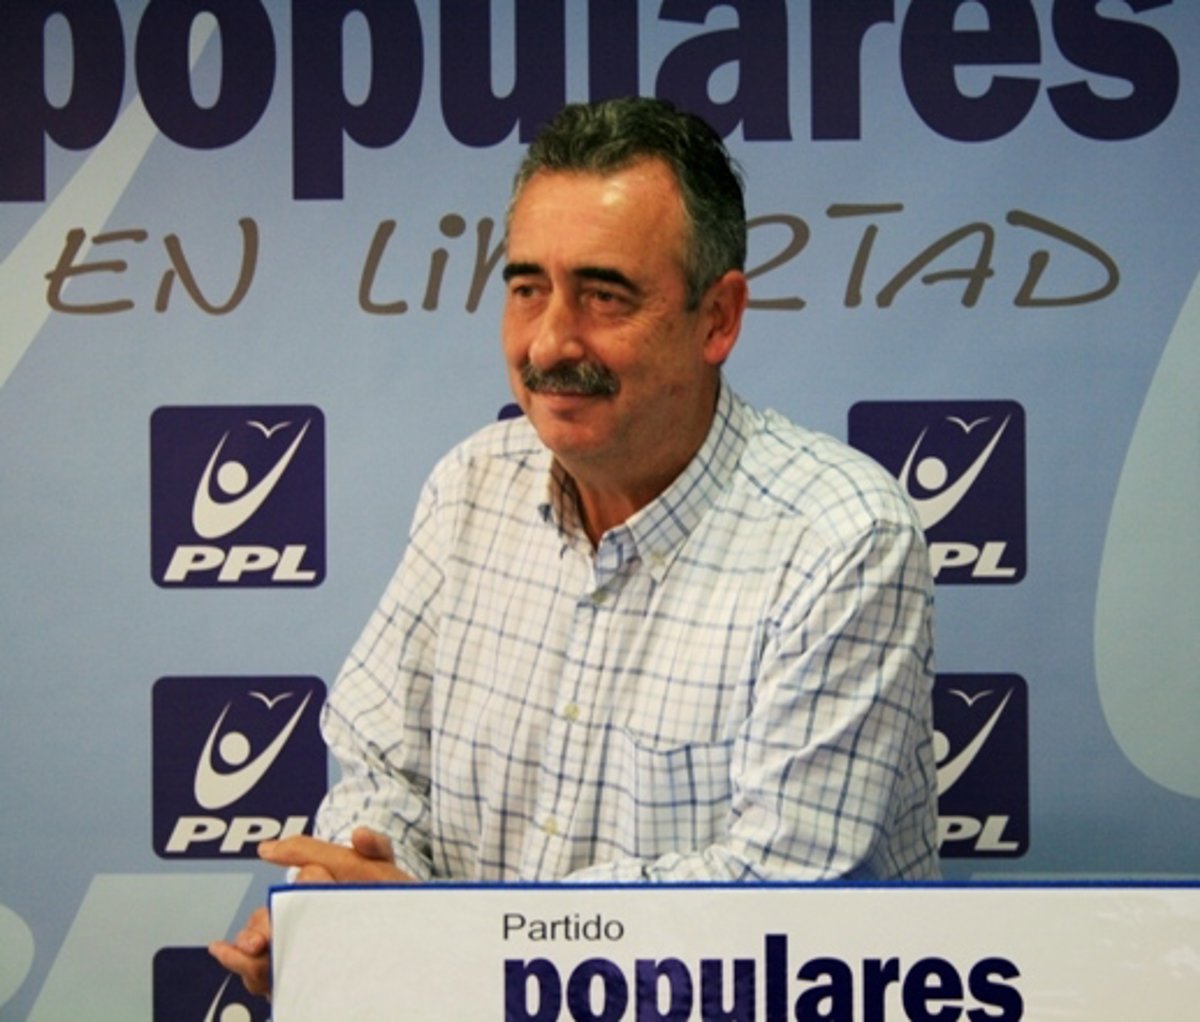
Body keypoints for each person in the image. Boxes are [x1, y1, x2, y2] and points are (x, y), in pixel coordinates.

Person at [211, 96, 939, 998]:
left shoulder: (843, 539)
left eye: (604, 295)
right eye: (527, 289)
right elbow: (381, 764)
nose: (551, 341)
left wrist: (448, 934)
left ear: (718, 318)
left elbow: (778, 894)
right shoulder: (471, 484)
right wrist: (354, 894)